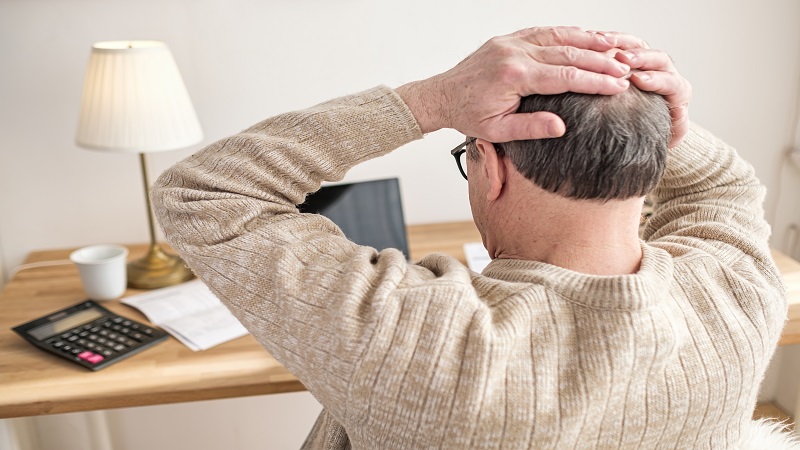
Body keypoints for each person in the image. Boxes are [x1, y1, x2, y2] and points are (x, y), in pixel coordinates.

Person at [151, 27, 792, 449]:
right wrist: (643, 113)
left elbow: (204, 193)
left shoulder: (416, 338)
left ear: (492, 165)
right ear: (658, 152)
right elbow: (724, 186)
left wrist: (431, 100)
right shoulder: (739, 296)